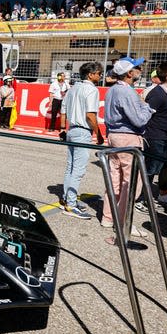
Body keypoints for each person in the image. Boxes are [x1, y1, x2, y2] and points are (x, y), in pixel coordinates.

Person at [100, 58, 153, 237]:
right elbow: (139, 119)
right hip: (128, 137)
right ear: (129, 73)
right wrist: (147, 108)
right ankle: (124, 222)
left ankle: (108, 217)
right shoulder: (126, 91)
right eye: (137, 68)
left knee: (115, 177)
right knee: (131, 182)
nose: (140, 70)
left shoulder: (112, 89)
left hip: (114, 136)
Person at [136, 62, 167, 213]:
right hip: (154, 137)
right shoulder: (158, 94)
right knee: (149, 171)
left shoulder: (166, 93)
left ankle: (146, 198)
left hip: (162, 136)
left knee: (154, 170)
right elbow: (146, 115)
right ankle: (140, 199)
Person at [59, 61, 104, 219]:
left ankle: (67, 198)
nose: (100, 75)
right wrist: (99, 134)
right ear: (91, 75)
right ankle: (70, 205)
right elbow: (90, 115)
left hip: (72, 129)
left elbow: (63, 110)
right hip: (83, 131)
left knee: (71, 167)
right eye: (99, 73)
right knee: (78, 170)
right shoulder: (91, 90)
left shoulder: (73, 88)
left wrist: (63, 129)